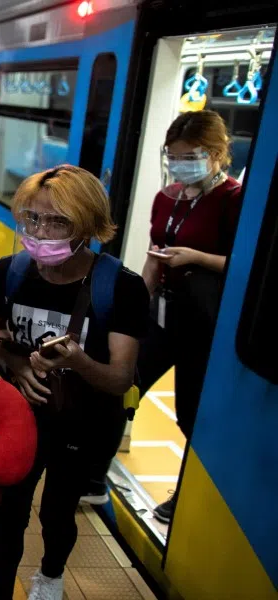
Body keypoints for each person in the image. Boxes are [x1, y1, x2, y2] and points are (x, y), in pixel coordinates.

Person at [0, 165, 148, 600]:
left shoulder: (120, 288)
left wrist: (79, 361)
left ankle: (50, 577)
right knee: (9, 514)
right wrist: (16, 366)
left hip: (83, 422)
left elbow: (118, 379)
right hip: (21, 419)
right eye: (32, 218)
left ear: (88, 225)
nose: (41, 231)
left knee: (57, 512)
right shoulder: (11, 273)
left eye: (57, 221)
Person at [138, 110, 243, 524]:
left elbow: (243, 266)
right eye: (174, 156)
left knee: (190, 413)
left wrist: (196, 258)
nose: (181, 165)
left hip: (203, 323)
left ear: (216, 154)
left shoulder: (233, 201)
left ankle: (187, 494)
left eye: (190, 156)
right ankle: (92, 471)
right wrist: (133, 305)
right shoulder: (167, 197)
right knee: (126, 385)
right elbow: (153, 255)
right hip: (159, 313)